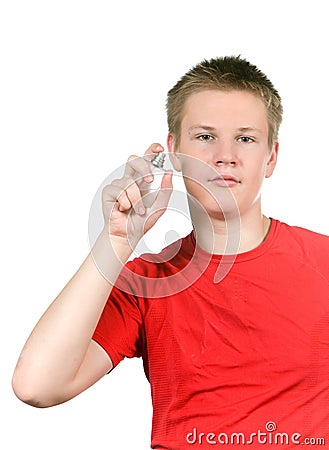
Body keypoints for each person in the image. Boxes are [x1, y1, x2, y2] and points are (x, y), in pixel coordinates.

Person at [12, 56, 329, 449]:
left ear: (272, 157)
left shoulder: (323, 263)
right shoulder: (148, 279)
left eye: (245, 138)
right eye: (205, 136)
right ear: (173, 151)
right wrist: (117, 241)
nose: (225, 155)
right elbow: (37, 385)